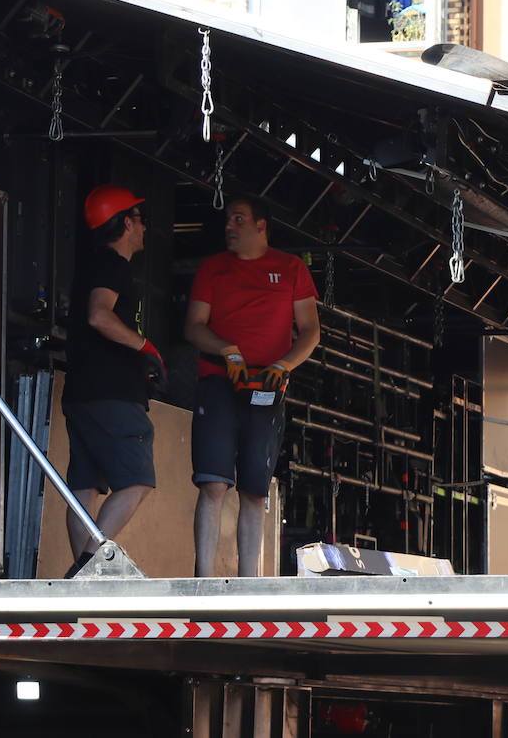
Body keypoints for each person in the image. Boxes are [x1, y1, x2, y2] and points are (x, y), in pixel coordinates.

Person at [185, 196, 320, 577]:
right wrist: (226, 352)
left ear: (261, 226)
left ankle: (249, 581)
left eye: (238, 219)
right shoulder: (214, 269)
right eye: (228, 219)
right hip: (219, 380)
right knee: (212, 484)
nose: (230, 225)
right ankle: (203, 579)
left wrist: (285, 364)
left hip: (267, 386)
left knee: (255, 491)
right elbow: (194, 326)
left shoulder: (291, 268)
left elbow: (310, 331)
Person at [61, 184, 166, 576]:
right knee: (137, 479)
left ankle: (80, 579)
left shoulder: (91, 265)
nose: (144, 228)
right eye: (141, 220)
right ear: (126, 222)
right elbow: (100, 316)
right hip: (112, 394)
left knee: (84, 490)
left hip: (83, 393)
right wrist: (146, 348)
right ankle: (88, 568)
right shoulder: (112, 265)